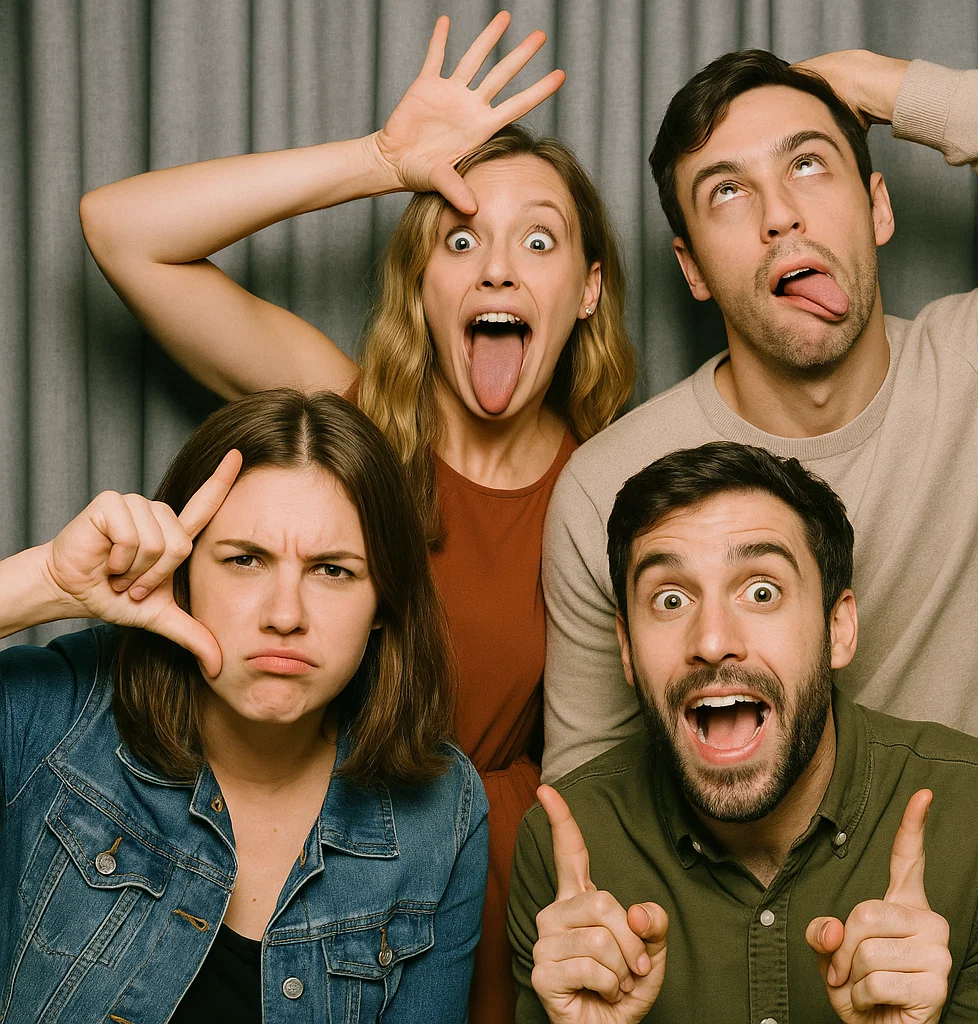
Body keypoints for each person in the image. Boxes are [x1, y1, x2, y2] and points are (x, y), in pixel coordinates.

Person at [78, 13, 634, 1019]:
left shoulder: (619, 487)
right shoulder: (351, 432)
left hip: (517, 876)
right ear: (423, 285)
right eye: (460, 237)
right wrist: (379, 160)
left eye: (538, 239)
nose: (498, 268)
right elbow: (123, 231)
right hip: (301, 856)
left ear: (588, 287)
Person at [541, 48, 978, 782]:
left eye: (807, 164)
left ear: (877, 206)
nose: (780, 217)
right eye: (728, 192)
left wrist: (877, 82)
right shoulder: (605, 485)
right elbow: (588, 788)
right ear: (693, 267)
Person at [0, 390, 488, 1024]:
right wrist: (45, 583)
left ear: (383, 607)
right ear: (183, 576)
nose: (285, 615)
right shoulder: (59, 715)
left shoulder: (443, 811)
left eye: (332, 570)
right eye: (244, 560)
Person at [510, 442, 978, 1022]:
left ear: (838, 628)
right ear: (627, 650)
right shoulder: (566, 856)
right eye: (671, 599)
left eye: (761, 592)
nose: (711, 641)